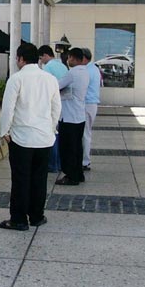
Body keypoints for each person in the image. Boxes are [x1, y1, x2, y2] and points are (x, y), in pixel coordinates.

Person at [0, 43, 61, 231]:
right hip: (44, 138)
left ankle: (18, 219)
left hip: (21, 138)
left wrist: (4, 132)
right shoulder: (50, 79)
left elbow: (8, 109)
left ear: (20, 59)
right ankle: (36, 216)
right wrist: (51, 129)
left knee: (20, 179)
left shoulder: (16, 79)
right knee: (39, 179)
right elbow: (56, 107)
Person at [57, 47, 89, 185]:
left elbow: (57, 85)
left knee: (67, 148)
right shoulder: (85, 72)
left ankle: (70, 176)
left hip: (69, 116)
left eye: (69, 57)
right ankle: (78, 173)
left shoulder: (72, 73)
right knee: (77, 147)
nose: (68, 60)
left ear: (73, 58)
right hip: (79, 115)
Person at [38, 45, 68, 172]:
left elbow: (45, 88)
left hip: (52, 104)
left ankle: (52, 164)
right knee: (59, 135)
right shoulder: (62, 66)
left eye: (41, 58)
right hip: (64, 104)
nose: (41, 61)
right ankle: (60, 163)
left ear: (45, 55)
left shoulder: (48, 68)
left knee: (52, 134)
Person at [82, 47, 101, 171]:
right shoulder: (94, 68)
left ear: (84, 58)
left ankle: (84, 161)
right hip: (92, 104)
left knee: (85, 134)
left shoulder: (87, 70)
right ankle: (84, 160)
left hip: (87, 104)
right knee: (86, 133)